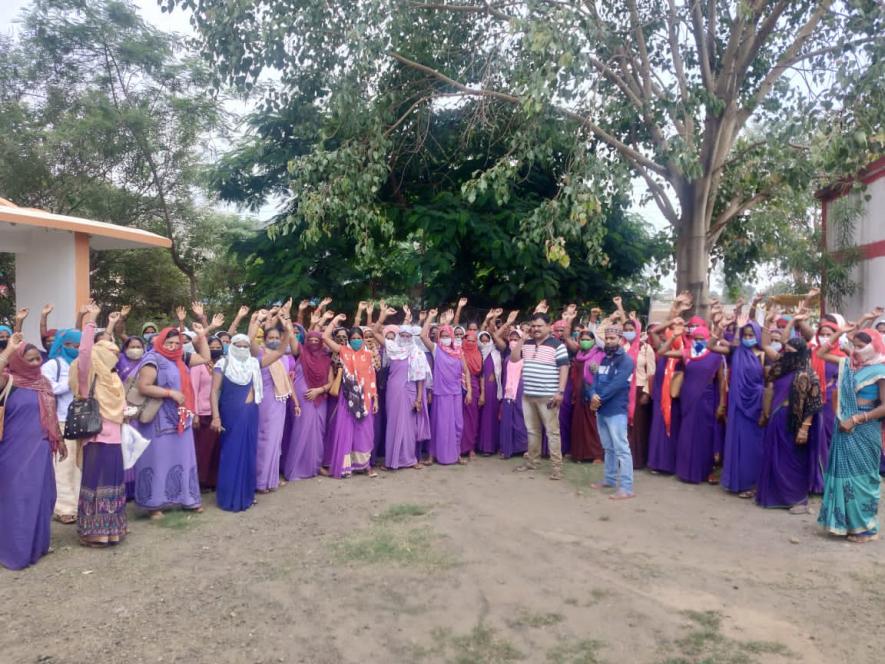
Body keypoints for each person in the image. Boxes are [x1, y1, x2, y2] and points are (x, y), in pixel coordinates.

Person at [131, 319, 210, 519]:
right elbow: (144, 386)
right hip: (157, 418)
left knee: (184, 458)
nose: (173, 347)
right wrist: (170, 393)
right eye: (169, 343)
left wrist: (201, 336)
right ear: (160, 342)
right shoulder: (152, 358)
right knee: (158, 460)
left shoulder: (180, 357)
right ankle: (154, 505)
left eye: (177, 343)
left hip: (181, 417)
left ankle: (187, 499)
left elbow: (205, 357)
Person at [0, 334, 67, 570]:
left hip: (41, 450)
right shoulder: (9, 381)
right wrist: (8, 350)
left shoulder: (44, 382)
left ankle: (37, 546)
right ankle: (15, 552)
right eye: (29, 359)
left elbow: (50, 412)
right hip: (14, 451)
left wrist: (60, 440)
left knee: (43, 498)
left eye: (38, 358)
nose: (35, 362)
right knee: (19, 499)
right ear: (18, 361)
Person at [817, 327, 885, 543]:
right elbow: (820, 354)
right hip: (843, 427)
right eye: (853, 346)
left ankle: (866, 528)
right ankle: (846, 523)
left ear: (874, 345)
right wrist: (840, 333)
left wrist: (856, 419)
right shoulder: (850, 365)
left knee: (863, 478)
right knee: (843, 476)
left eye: (860, 346)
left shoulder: (881, 370)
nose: (856, 350)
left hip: (864, 428)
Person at [71, 309, 128, 546]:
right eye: (108, 350)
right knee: (95, 482)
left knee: (113, 482)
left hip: (114, 438)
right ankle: (94, 532)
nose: (114, 352)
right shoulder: (87, 375)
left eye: (115, 349)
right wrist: (91, 321)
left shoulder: (114, 379)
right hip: (95, 438)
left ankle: (112, 530)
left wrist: (112, 325)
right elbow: (85, 351)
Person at [755, 337, 822, 513]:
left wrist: (805, 428)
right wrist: (765, 413)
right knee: (775, 457)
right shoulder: (780, 369)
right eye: (785, 350)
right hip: (777, 418)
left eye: (790, 351)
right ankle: (774, 495)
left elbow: (813, 403)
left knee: (794, 460)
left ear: (800, 354)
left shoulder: (807, 374)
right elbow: (770, 390)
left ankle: (796, 498)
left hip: (795, 422)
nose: (786, 354)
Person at [661, 323, 724, 484]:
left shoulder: (716, 356)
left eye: (702, 339)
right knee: (687, 434)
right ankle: (684, 471)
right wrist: (674, 336)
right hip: (687, 399)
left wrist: (722, 403)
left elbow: (722, 382)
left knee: (704, 436)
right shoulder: (686, 353)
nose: (699, 341)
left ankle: (703, 471)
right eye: (696, 339)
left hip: (706, 400)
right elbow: (662, 352)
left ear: (708, 339)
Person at [512, 312, 569, 481]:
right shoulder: (527, 344)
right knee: (532, 431)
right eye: (534, 326)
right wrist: (522, 338)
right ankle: (532, 462)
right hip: (528, 395)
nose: (536, 329)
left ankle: (557, 468)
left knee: (552, 432)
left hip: (548, 396)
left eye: (539, 326)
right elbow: (514, 359)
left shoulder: (557, 345)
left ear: (548, 327)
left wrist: (560, 392)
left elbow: (564, 368)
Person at [211, 333, 264, 512]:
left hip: (251, 413)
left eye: (245, 346)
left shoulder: (254, 364)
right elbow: (214, 392)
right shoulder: (222, 364)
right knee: (231, 453)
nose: (241, 349)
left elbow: (279, 353)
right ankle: (228, 497)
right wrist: (216, 417)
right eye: (238, 345)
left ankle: (246, 495)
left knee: (249, 452)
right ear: (231, 345)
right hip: (230, 413)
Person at [371, 316, 430, 471]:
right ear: (398, 336)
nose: (404, 338)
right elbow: (375, 332)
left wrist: (418, 398)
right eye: (402, 335)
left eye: (407, 336)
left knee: (410, 428)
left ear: (412, 337)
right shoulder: (392, 347)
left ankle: (410, 460)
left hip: (410, 392)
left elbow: (421, 379)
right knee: (393, 424)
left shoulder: (418, 353)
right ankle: (391, 461)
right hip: (393, 392)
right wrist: (382, 317)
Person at [323, 314, 379, 478]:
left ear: (362, 339)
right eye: (352, 338)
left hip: (366, 398)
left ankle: (364, 465)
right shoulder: (343, 351)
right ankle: (345, 467)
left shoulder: (368, 355)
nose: (355, 340)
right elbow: (325, 337)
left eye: (358, 338)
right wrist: (333, 321)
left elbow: (372, 377)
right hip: (347, 397)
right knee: (346, 431)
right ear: (349, 340)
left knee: (365, 432)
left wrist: (375, 399)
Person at [715, 321, 766, 496]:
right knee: (737, 443)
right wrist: (724, 327)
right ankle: (736, 482)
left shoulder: (764, 355)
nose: (748, 338)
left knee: (755, 446)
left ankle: (754, 484)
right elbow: (710, 346)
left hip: (756, 405)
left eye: (751, 335)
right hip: (738, 405)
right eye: (746, 335)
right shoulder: (736, 351)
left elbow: (768, 382)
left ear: (758, 336)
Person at [586, 325, 636, 499]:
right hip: (602, 409)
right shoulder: (605, 359)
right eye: (607, 338)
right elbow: (595, 381)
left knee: (621, 449)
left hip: (616, 410)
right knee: (608, 448)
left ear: (621, 340)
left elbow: (618, 384)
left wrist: (598, 398)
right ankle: (609, 479)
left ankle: (627, 488)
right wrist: (592, 394)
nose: (609, 341)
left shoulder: (626, 361)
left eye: (612, 338)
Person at [253, 317, 299, 492]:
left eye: (276, 338)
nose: (273, 340)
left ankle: (270, 479)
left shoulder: (284, 357)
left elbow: (288, 382)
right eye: (270, 338)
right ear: (264, 340)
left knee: (275, 441)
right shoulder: (259, 353)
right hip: (264, 402)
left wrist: (295, 402)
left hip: (280, 402)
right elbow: (249, 340)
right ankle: (259, 481)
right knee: (265, 439)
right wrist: (255, 322)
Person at [420, 311, 470, 465]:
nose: (445, 338)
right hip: (440, 394)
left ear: (453, 337)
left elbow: (466, 371)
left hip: (456, 393)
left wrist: (470, 391)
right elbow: (423, 336)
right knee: (439, 426)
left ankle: (457, 455)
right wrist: (430, 318)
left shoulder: (458, 352)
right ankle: (432, 455)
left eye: (447, 335)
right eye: (442, 336)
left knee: (457, 425)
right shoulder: (436, 349)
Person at [42, 328, 81, 524]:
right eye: (71, 346)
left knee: (79, 464)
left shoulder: (83, 363)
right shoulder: (52, 365)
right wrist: (72, 381)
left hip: (82, 419)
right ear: (62, 345)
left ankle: (78, 504)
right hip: (62, 419)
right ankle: (63, 508)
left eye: (78, 346)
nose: (75, 349)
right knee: (63, 464)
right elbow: (47, 388)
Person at [284, 330, 333, 480]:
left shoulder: (326, 359)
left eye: (316, 340)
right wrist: (287, 323)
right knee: (301, 431)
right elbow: (292, 338)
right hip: (302, 399)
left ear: (321, 342)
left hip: (320, 398)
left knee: (318, 433)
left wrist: (319, 390)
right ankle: (295, 468)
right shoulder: (301, 352)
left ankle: (315, 466)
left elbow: (331, 382)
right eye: (310, 339)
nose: (313, 342)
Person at [646, 321, 684, 475]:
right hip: (660, 394)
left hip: (677, 396)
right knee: (658, 429)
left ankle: (671, 465)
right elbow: (654, 331)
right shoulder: (663, 348)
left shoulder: (685, 350)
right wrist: (672, 321)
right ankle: (657, 463)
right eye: (671, 331)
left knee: (674, 429)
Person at [492, 317, 528, 459]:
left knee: (521, 418)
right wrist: (508, 323)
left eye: (516, 338)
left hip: (521, 390)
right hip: (508, 391)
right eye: (511, 338)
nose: (514, 340)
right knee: (507, 419)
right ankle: (507, 449)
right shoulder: (507, 353)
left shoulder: (527, 354)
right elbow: (495, 336)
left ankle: (523, 448)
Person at [192, 335, 224, 491]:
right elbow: (193, 389)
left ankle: (214, 480)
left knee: (216, 448)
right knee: (203, 449)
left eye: (219, 346)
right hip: (203, 413)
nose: (216, 349)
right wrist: (195, 413)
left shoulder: (223, 364)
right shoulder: (199, 365)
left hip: (220, 411)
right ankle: (201, 481)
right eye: (212, 346)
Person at [567, 327, 603, 463]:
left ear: (594, 341)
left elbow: (601, 375)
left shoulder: (600, 354)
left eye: (588, 340)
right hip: (579, 392)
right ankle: (579, 454)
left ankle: (596, 455)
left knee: (593, 424)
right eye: (582, 339)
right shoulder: (578, 355)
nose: (584, 342)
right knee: (578, 424)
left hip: (593, 393)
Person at [624, 316, 655, 469]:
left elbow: (651, 372)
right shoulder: (621, 347)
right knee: (623, 426)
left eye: (631, 330)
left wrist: (647, 393)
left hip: (639, 390)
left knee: (638, 426)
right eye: (626, 330)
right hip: (623, 390)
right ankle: (622, 458)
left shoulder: (645, 348)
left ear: (637, 331)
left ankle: (637, 460)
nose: (628, 333)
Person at [476, 328, 502, 456]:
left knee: (489, 416)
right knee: (477, 417)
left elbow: (498, 372)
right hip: (476, 387)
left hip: (491, 388)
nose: (485, 344)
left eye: (487, 341)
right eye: (483, 341)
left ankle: (489, 446)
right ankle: (477, 445)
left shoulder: (496, 354)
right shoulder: (476, 353)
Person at [460, 330, 485, 458]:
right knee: (459, 418)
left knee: (472, 419)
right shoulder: (458, 352)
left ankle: (470, 448)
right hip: (458, 386)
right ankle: (457, 447)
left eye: (473, 341)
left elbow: (481, 376)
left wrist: (482, 394)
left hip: (474, 387)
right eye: (467, 340)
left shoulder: (479, 354)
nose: (470, 343)